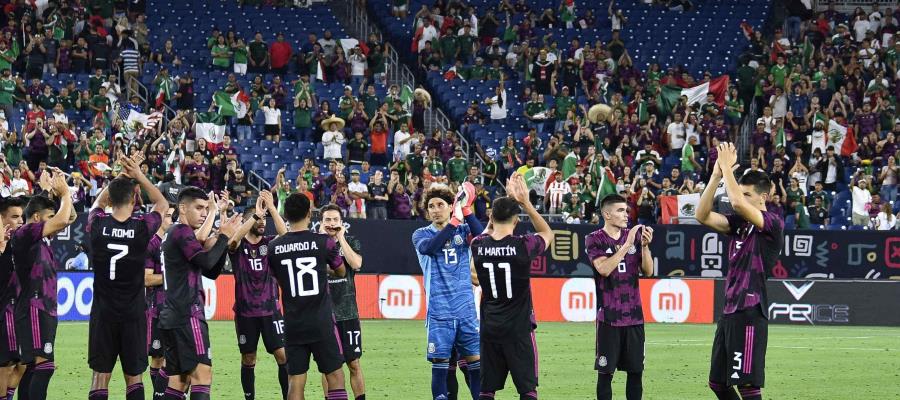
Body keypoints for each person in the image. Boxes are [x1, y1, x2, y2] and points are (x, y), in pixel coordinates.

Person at [696, 142, 783, 400]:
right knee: (718, 383)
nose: (741, 199)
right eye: (742, 194)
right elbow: (701, 215)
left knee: (747, 386)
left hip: (750, 311)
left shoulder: (771, 224)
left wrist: (727, 169)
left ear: (762, 198)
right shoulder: (739, 225)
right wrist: (715, 176)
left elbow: (735, 202)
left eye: (748, 195)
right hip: (730, 312)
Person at [86, 153, 169, 400]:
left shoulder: (97, 225)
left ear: (111, 198)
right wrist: (138, 174)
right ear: (134, 198)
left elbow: (96, 206)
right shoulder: (142, 227)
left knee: (100, 375)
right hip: (133, 312)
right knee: (134, 377)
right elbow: (162, 204)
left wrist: (120, 176)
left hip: (103, 312)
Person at [470, 173, 553, 400]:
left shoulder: (478, 245)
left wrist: (503, 204)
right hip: (518, 329)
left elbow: (474, 274)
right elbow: (547, 233)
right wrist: (524, 202)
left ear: (491, 217)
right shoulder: (523, 245)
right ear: (516, 220)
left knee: (487, 391)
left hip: (490, 328)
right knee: (527, 390)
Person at [159, 188, 241, 400]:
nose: (204, 213)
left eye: (207, 208)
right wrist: (223, 236)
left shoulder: (173, 233)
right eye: (199, 208)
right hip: (188, 314)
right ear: (183, 208)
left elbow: (211, 271)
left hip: (172, 315)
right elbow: (206, 261)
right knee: (202, 375)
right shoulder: (181, 231)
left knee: (179, 381)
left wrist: (223, 242)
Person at [266, 193, 349, 400]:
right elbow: (341, 271)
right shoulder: (324, 242)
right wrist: (324, 269)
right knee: (335, 376)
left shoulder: (274, 247)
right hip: (321, 322)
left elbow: (277, 277)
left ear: (286, 214)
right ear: (309, 214)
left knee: (295, 381)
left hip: (293, 324)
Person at [411, 183, 484, 400]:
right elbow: (430, 248)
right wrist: (454, 221)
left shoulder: (463, 230)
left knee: (476, 367)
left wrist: (468, 208)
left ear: (450, 207)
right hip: (439, 312)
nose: (435, 209)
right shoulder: (420, 234)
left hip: (466, 311)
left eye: (440, 205)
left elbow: (482, 240)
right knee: (441, 367)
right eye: (431, 206)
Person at [11, 169, 75, 400]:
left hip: (42, 308)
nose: (55, 223)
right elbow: (61, 220)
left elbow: (68, 218)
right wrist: (65, 194)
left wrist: (54, 192)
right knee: (44, 366)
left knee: (32, 368)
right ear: (37, 218)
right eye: (48, 217)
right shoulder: (25, 232)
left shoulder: (37, 235)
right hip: (34, 307)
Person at [585, 193, 654, 400]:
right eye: (620, 210)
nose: (626, 214)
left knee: (635, 373)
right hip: (609, 318)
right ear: (607, 214)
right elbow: (604, 269)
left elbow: (648, 271)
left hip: (634, 317)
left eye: (626, 210)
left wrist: (644, 246)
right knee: (606, 374)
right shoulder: (594, 239)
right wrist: (627, 245)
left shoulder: (634, 238)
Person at [226, 191, 290, 400]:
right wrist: (255, 214)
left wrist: (270, 208)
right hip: (246, 313)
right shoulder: (238, 246)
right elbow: (233, 240)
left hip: (271, 310)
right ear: (247, 220)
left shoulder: (270, 244)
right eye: (259, 218)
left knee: (282, 355)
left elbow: (286, 236)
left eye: (264, 218)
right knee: (248, 358)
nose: (263, 221)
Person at [319, 204, 366, 400]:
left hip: (348, 313)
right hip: (323, 314)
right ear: (321, 223)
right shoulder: (314, 244)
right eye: (327, 220)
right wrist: (323, 241)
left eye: (335, 220)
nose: (331, 224)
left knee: (353, 363)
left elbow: (356, 264)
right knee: (327, 367)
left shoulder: (351, 241)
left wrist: (341, 238)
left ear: (341, 222)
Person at [145, 205, 174, 399]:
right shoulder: (151, 244)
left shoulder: (174, 242)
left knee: (172, 357)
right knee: (157, 358)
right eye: (169, 216)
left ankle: (164, 394)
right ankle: (160, 394)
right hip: (157, 308)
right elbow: (146, 279)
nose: (172, 220)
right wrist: (171, 275)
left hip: (175, 308)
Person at [0, 197, 26, 399]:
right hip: (5, 311)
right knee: (7, 365)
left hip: (19, 310)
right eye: (15, 217)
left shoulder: (20, 245)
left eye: (22, 217)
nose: (20, 221)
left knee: (22, 363)